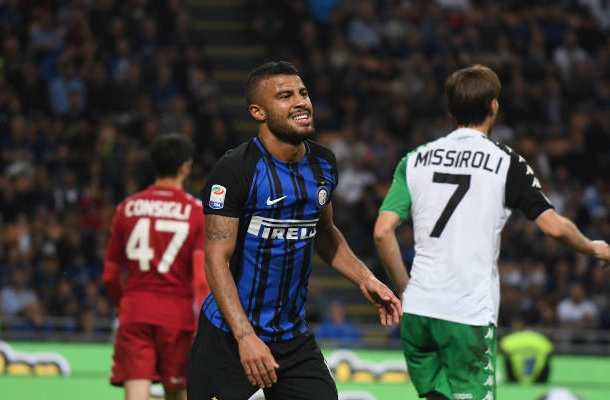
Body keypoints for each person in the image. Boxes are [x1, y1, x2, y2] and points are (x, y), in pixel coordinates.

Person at [373, 64, 610, 400]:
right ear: (494, 106)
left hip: (419, 311)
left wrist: (405, 287)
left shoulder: (413, 160)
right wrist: (594, 248)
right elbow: (554, 228)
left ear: (450, 109)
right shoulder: (505, 162)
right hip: (466, 313)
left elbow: (383, 231)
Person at [187, 60, 401, 400]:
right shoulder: (235, 170)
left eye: (303, 93)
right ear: (258, 112)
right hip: (229, 336)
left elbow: (325, 231)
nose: (301, 102)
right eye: (285, 96)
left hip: (291, 337)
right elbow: (216, 260)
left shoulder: (323, 163)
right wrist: (245, 337)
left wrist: (366, 279)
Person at [102, 133, 207, 400]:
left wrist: (123, 305)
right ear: (185, 167)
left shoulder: (127, 208)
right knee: (178, 392)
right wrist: (207, 323)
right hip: (177, 316)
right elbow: (201, 280)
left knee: (136, 393)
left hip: (135, 311)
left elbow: (110, 275)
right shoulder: (195, 212)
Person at [499, 319, 553, 384]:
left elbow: (501, 348)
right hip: (538, 378)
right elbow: (549, 349)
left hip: (515, 378)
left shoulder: (511, 339)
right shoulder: (539, 338)